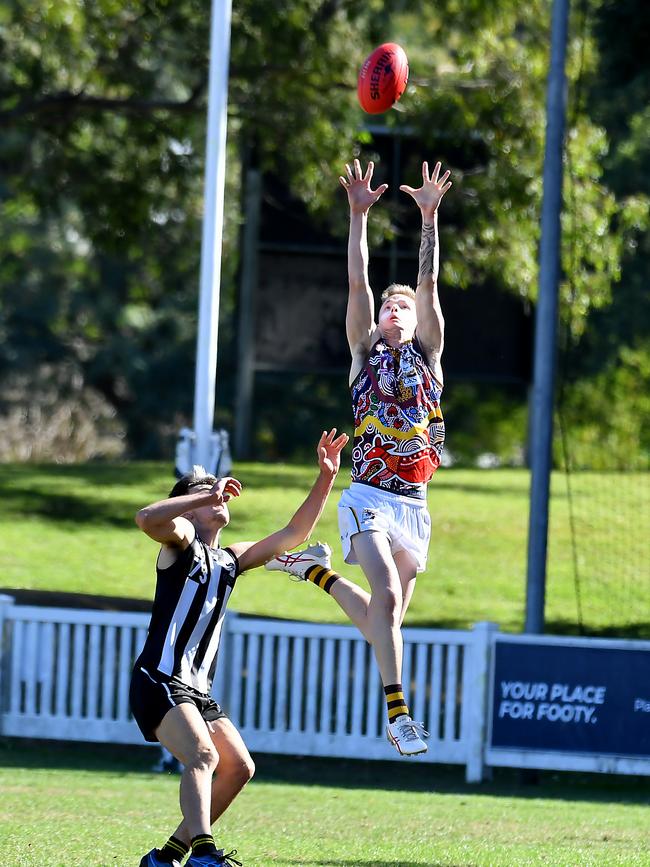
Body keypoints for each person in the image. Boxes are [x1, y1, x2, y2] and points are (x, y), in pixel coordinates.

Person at [266, 158, 451, 757]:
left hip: (415, 504)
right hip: (369, 497)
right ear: (378, 320)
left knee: (382, 620)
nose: (398, 310)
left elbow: (428, 286)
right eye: (390, 307)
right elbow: (357, 284)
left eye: (406, 308)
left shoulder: (429, 356)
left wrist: (428, 217)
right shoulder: (363, 354)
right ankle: (399, 715)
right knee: (390, 602)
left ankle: (312, 570)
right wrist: (356, 217)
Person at [131, 428, 348, 867]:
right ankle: (205, 855)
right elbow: (147, 517)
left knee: (239, 767)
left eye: (221, 493)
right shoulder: (179, 545)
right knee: (203, 756)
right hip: (159, 679)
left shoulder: (229, 560)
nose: (220, 497)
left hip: (196, 691)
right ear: (189, 511)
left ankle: (168, 855)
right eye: (206, 493)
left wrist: (325, 477)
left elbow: (293, 532)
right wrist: (200, 496)